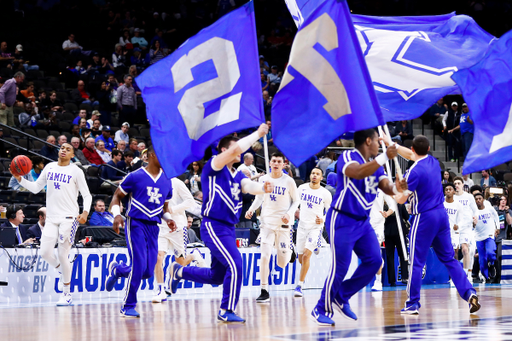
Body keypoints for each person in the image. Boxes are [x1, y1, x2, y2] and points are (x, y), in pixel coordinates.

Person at [168, 125, 273, 323]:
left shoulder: (238, 174)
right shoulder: (213, 166)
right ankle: (226, 309)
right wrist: (257, 134)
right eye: (237, 148)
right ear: (224, 150)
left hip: (228, 228)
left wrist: (262, 187)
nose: (241, 152)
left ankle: (179, 271)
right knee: (236, 265)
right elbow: (235, 150)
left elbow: (247, 186)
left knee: (217, 276)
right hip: (213, 225)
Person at [310, 129, 406, 326]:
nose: (380, 143)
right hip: (342, 219)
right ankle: (321, 308)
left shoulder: (377, 165)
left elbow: (386, 187)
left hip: (362, 222)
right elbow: (358, 172)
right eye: (377, 141)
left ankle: (341, 295)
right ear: (368, 140)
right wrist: (383, 157)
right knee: (341, 267)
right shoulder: (348, 156)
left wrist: (398, 187)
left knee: (374, 261)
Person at [386, 135, 479, 315]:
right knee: (449, 259)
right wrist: (394, 146)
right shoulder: (434, 162)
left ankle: (412, 303)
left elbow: (402, 198)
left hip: (424, 218)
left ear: (413, 149)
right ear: (428, 149)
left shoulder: (412, 173)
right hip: (441, 216)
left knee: (416, 262)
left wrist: (394, 188)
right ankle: (469, 293)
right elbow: (413, 156)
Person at [12, 142, 92, 306]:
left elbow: (87, 195)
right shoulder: (49, 167)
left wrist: (85, 212)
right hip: (51, 218)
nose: (64, 150)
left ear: (72, 155)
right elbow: (35, 188)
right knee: (44, 253)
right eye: (62, 147)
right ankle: (64, 271)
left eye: (68, 149)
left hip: (69, 218)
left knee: (63, 254)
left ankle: (67, 293)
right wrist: (20, 179)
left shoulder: (76, 171)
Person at [105, 145, 176, 318]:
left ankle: (119, 270)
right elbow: (116, 196)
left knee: (146, 271)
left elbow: (163, 207)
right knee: (138, 265)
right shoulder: (135, 176)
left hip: (154, 226)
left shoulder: (167, 180)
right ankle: (128, 305)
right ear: (151, 155)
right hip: (135, 223)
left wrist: (169, 219)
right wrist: (116, 214)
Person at [246, 151, 300, 303]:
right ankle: (264, 290)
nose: (276, 164)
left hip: (284, 224)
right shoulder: (263, 179)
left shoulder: (289, 181)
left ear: (284, 164)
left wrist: (290, 213)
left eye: (279, 161)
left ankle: (291, 249)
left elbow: (296, 201)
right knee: (264, 256)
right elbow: (259, 198)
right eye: (273, 161)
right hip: (267, 223)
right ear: (269, 163)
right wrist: (251, 209)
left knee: (282, 263)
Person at [152, 177, 205, 303]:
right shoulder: (153, 181)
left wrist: (173, 209)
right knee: (158, 257)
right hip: (161, 225)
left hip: (178, 226)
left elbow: (190, 201)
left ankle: (194, 255)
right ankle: (160, 290)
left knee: (180, 262)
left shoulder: (177, 182)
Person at [294, 167, 332, 297]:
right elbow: (295, 203)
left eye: (317, 174)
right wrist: (294, 211)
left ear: (322, 178)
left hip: (315, 228)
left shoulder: (325, 193)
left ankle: (300, 285)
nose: (314, 175)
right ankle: (317, 244)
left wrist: (323, 218)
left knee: (306, 256)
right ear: (310, 175)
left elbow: (330, 211)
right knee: (300, 259)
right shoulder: (302, 188)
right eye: (312, 173)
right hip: (301, 227)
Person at [453, 176, 479, 281]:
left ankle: (466, 274)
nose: (457, 185)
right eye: (455, 184)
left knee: (465, 249)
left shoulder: (469, 197)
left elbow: (475, 210)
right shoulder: (452, 198)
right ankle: (455, 275)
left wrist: (475, 218)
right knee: (454, 252)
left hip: (466, 227)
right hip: (455, 228)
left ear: (463, 185)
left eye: (459, 183)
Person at [474, 192, 499, 282]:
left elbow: (496, 216)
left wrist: (498, 227)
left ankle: (492, 264)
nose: (478, 200)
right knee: (482, 261)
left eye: (480, 198)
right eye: (476, 199)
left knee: (490, 253)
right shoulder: (473, 212)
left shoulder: (489, 208)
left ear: (483, 199)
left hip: (489, 235)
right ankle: (487, 277)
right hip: (479, 238)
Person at [443, 183, 463, 260]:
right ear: (444, 192)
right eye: (446, 190)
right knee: (443, 252)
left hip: (454, 232)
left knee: (455, 252)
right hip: (443, 231)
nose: (448, 191)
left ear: (454, 191)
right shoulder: (441, 203)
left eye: (450, 189)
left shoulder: (458, 205)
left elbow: (461, 219)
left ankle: (455, 271)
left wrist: (458, 226)